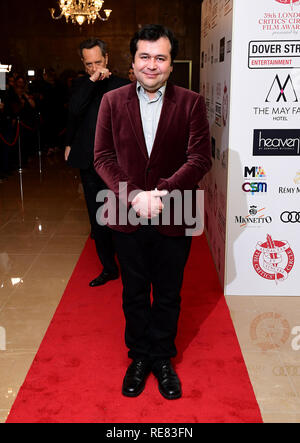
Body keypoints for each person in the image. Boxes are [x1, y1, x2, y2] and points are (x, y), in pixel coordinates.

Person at [94, 24, 212, 399]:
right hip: (126, 214)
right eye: (144, 57)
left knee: (168, 292)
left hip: (174, 212)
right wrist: (133, 196)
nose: (151, 65)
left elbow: (200, 158)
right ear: (132, 62)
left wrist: (160, 192)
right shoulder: (111, 102)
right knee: (133, 292)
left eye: (160, 58)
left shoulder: (191, 102)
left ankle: (162, 357)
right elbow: (102, 156)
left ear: (171, 64)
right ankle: (139, 357)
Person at [65, 38, 130, 287]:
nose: (95, 68)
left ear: (107, 58)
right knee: (97, 218)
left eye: (98, 62)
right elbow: (73, 113)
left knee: (120, 217)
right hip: (89, 163)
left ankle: (129, 265)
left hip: (117, 165)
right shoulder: (80, 85)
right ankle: (109, 268)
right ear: (83, 63)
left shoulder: (122, 85)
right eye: (89, 64)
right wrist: (91, 81)